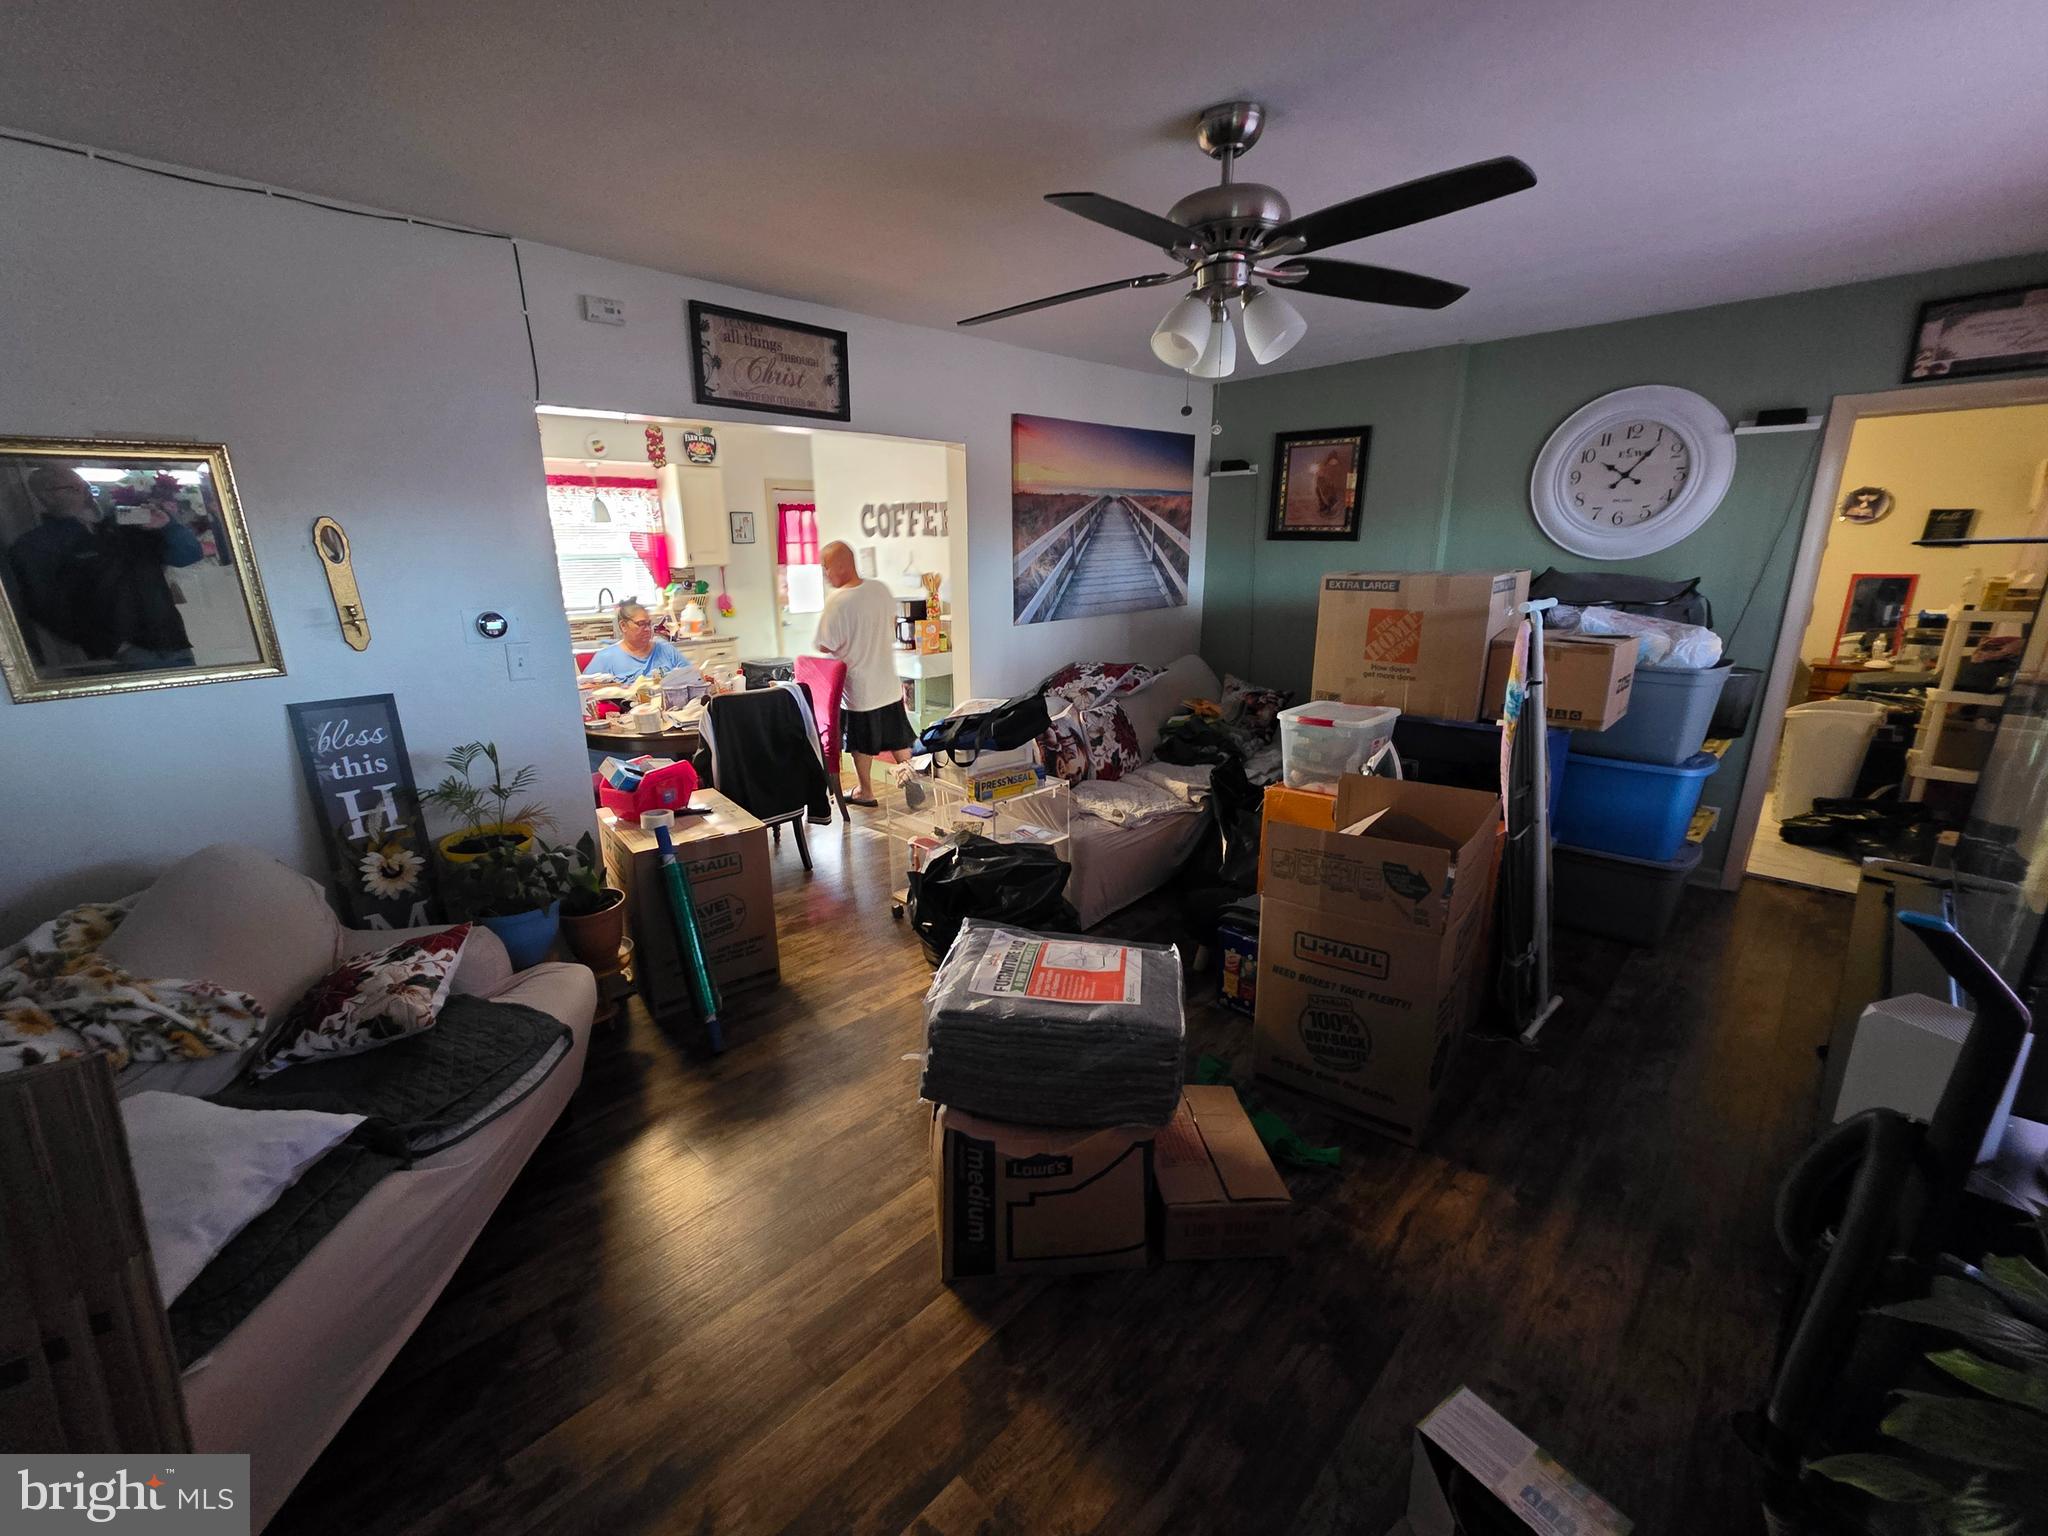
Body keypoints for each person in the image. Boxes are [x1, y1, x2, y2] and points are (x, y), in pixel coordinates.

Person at [7, 464, 202, 670]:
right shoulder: (35, 545)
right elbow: (46, 608)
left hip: (173, 644)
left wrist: (168, 526)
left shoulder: (124, 524)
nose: (86, 495)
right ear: (46, 496)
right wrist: (113, 646)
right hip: (120, 656)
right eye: (73, 489)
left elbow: (188, 555)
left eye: (87, 487)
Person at [812, 540, 913, 806]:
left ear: (841, 566)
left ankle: (865, 791)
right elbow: (892, 624)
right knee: (897, 735)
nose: (825, 573)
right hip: (888, 681)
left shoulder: (838, 602)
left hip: (860, 687)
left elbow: (824, 644)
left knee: (861, 742)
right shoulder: (880, 589)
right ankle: (912, 779)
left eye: (826, 567)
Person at [582, 601, 692, 681]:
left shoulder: (666, 650)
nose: (648, 629)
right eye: (641, 624)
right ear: (623, 626)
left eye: (649, 623)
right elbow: (585, 691)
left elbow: (692, 677)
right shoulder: (605, 658)